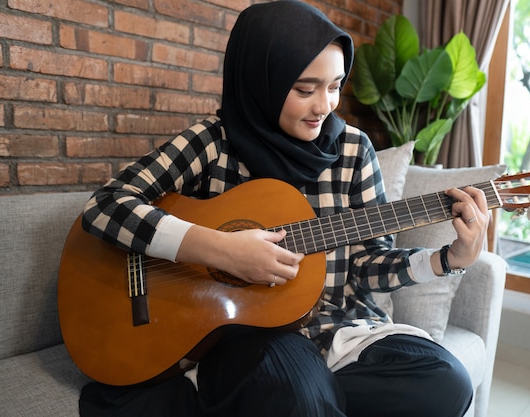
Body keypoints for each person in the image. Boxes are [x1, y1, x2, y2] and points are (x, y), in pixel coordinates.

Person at [79, 1, 489, 416]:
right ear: (262, 80)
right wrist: (220, 251)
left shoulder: (353, 150)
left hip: (338, 330)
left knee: (447, 383)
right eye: (305, 90)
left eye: (334, 86)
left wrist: (447, 259)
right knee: (301, 396)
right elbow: (106, 207)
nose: (324, 106)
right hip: (250, 334)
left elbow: (367, 264)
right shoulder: (214, 141)